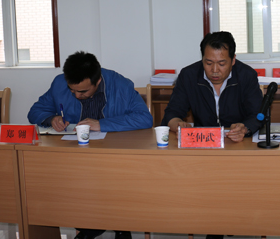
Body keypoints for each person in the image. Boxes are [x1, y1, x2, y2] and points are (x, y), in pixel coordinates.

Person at [27, 51, 153, 239]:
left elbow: (145, 118)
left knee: (114, 182)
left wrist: (102, 124)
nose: (77, 95)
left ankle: (115, 225)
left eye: (83, 91)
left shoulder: (120, 85)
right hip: (75, 156)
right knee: (57, 182)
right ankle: (89, 225)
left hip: (114, 157)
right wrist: (51, 118)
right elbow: (35, 112)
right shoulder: (59, 83)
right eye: (72, 91)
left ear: (98, 81)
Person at [161, 31, 264, 143]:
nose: (215, 70)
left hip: (237, 141)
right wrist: (178, 125)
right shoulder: (189, 76)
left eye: (221, 64)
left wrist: (244, 129)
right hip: (202, 141)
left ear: (233, 60)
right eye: (209, 63)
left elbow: (258, 114)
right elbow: (172, 112)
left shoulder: (246, 76)